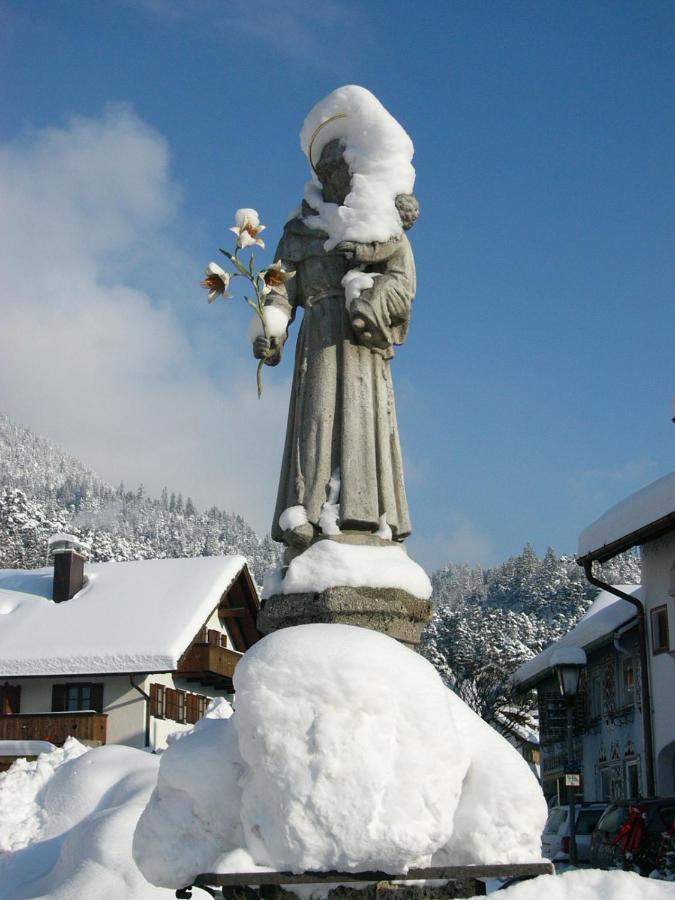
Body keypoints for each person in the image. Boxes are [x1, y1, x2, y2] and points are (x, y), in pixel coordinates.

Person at [253, 139, 418, 556]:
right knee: (318, 420)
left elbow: (404, 282)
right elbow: (278, 289)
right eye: (327, 172)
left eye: (343, 171)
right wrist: (273, 328)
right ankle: (309, 513)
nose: (336, 179)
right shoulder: (298, 232)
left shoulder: (378, 230)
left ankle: (367, 515)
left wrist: (370, 300)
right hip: (319, 338)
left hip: (361, 343)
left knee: (363, 420)